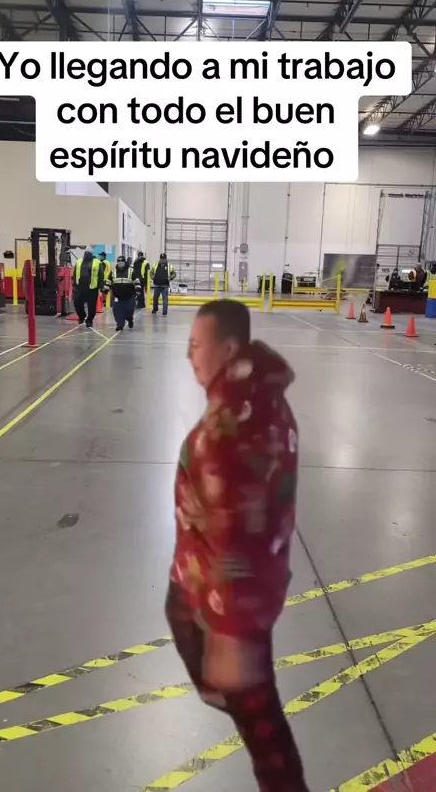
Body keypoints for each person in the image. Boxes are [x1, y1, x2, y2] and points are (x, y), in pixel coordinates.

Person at [165, 299, 310, 792]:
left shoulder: (226, 430)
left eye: (196, 346)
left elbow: (237, 527)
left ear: (227, 349)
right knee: (253, 711)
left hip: (230, 601)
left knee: (261, 725)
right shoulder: (264, 399)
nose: (189, 356)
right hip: (225, 578)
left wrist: (230, 634)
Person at [72, 247, 104, 327]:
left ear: (92, 254)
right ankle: (82, 316)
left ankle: (89, 320)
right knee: (77, 302)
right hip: (80, 287)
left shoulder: (97, 262)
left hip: (92, 288)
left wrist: (101, 287)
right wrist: (74, 284)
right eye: (86, 252)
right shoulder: (79, 261)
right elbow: (75, 273)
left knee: (92, 306)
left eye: (88, 252)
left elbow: (101, 275)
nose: (87, 254)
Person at [110, 255, 141, 331]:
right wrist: (105, 289)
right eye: (118, 261)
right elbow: (108, 281)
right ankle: (120, 325)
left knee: (129, 313)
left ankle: (130, 320)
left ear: (125, 262)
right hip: (117, 297)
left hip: (129, 297)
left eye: (122, 261)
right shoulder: (113, 272)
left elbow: (136, 281)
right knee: (117, 313)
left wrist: (138, 290)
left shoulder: (131, 271)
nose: (120, 262)